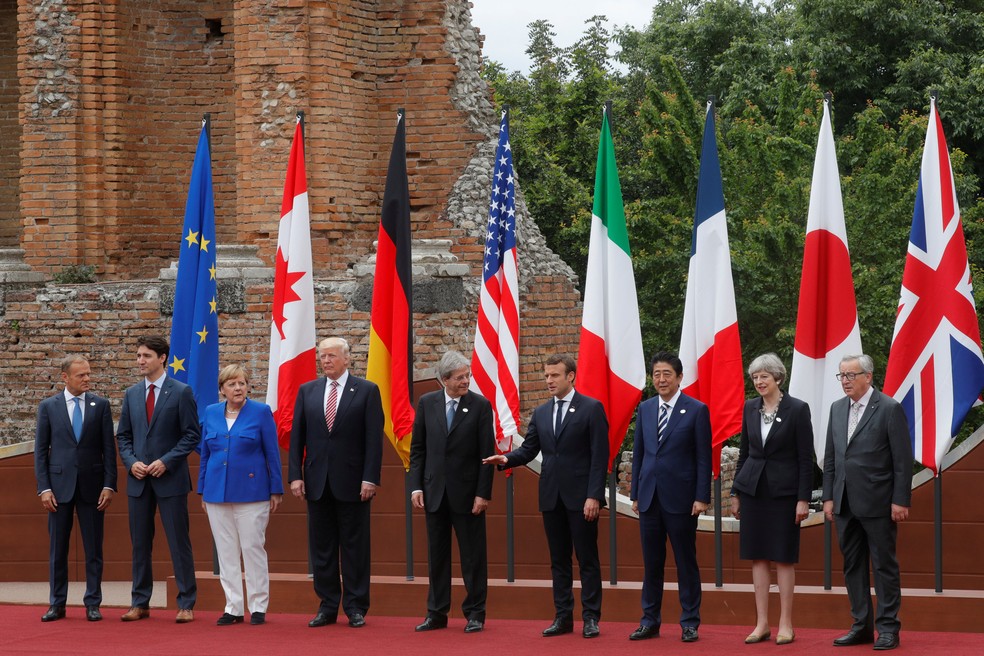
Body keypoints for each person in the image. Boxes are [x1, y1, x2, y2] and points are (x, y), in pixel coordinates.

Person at [484, 354, 608, 639]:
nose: (549, 380)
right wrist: (504, 458)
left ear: (571, 376)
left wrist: (594, 496)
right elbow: (528, 451)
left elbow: (600, 458)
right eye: (547, 375)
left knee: (587, 559)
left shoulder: (591, 409)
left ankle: (591, 618)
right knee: (559, 560)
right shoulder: (541, 413)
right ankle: (563, 617)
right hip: (552, 497)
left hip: (581, 499)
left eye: (555, 375)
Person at [289, 337, 383, 629]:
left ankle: (355, 606)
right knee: (322, 548)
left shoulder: (366, 391)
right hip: (317, 482)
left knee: (355, 547)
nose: (325, 361)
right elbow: (297, 439)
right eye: (322, 356)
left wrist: (370, 477)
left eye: (331, 356)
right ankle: (327, 605)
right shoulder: (308, 391)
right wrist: (295, 475)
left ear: (347, 359)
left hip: (354, 483)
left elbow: (373, 440)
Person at [823, 354, 912, 651]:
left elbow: (902, 461)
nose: (845, 381)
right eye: (842, 376)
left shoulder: (889, 408)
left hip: (878, 502)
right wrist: (829, 497)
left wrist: (900, 500)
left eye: (851, 375)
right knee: (852, 566)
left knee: (884, 566)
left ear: (868, 376)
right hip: (845, 503)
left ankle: (888, 628)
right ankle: (861, 625)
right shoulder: (837, 409)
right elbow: (833, 458)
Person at [729, 353, 814, 645]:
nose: (759, 381)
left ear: (778, 377)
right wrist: (736, 492)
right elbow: (744, 453)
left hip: (784, 494)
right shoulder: (750, 407)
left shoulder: (798, 409)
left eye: (764, 376)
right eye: (755, 377)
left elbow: (806, 459)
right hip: (753, 491)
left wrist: (803, 499)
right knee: (758, 556)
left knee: (784, 557)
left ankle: (785, 623)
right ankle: (762, 623)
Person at [116, 335, 200, 623]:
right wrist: (131, 462)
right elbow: (123, 436)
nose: (140, 361)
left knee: (179, 542)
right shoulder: (131, 394)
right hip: (139, 482)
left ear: (162, 358)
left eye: (146, 356)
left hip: (170, 480)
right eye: (138, 355)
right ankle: (140, 602)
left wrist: (166, 461)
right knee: (140, 544)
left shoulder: (181, 392)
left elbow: (191, 435)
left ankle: (186, 603)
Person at [409, 351, 495, 634]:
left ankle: (475, 613)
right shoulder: (427, 403)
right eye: (460, 377)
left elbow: (487, 454)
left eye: (467, 375)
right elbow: (418, 449)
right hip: (434, 493)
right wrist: (416, 486)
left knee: (473, 557)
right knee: (437, 556)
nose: (465, 381)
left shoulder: (480, 406)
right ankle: (436, 612)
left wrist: (483, 494)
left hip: (468, 495)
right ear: (444, 379)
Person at [629, 351, 711, 643]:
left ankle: (690, 622)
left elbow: (704, 457)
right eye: (656, 374)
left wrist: (702, 497)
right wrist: (635, 493)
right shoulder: (647, 408)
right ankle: (649, 620)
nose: (661, 379)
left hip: (682, 499)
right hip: (649, 498)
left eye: (666, 374)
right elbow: (639, 454)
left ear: (679, 377)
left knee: (685, 562)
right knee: (652, 563)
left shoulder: (697, 409)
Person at [198, 365, 284, 626]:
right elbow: (205, 454)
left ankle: (258, 606)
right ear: (222, 389)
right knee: (226, 551)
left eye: (242, 383)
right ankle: (233, 607)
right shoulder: (211, 412)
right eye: (232, 384)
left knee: (252, 548)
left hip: (252, 492)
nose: (238, 388)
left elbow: (272, 452)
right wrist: (202, 489)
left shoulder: (260, 412)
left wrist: (276, 489)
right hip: (216, 492)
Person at [34, 355, 117, 623]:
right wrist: (44, 488)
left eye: (89, 374)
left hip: (93, 488)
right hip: (58, 490)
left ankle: (93, 602)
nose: (87, 379)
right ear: (65, 377)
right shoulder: (48, 407)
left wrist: (109, 485)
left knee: (94, 549)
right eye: (81, 375)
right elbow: (40, 452)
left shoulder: (100, 405)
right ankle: (56, 604)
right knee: (58, 550)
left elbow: (108, 449)